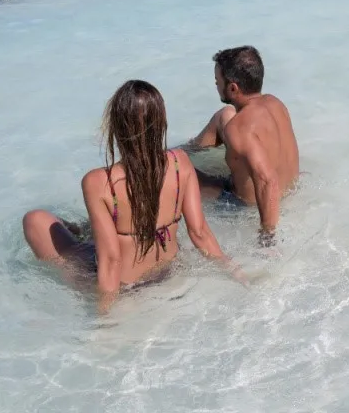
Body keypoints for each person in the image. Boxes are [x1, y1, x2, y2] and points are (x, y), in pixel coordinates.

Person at [23, 79, 241, 314]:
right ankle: (83, 230)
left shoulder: (99, 182)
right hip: (169, 273)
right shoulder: (180, 163)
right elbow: (199, 233)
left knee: (35, 220)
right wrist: (234, 272)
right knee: (97, 227)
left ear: (117, 127)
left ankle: (81, 236)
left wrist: (104, 318)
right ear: (160, 124)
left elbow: (110, 260)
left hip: (127, 288)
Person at [187, 46, 300, 245]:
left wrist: (268, 235)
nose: (215, 84)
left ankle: (181, 155)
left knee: (177, 166)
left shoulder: (239, 129)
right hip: (290, 189)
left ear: (232, 88)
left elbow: (267, 180)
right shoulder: (275, 103)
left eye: (217, 81)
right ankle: (191, 150)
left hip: (243, 205)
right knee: (224, 115)